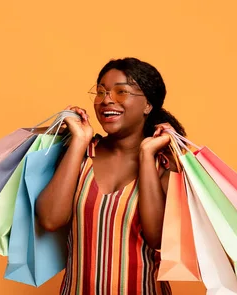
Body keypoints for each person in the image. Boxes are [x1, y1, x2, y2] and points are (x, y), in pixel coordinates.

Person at [36, 57, 187, 295]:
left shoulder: (165, 163)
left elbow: (157, 239)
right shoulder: (80, 155)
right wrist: (79, 142)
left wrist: (147, 154)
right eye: (101, 92)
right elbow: (50, 220)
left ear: (148, 105)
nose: (106, 99)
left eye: (121, 92)